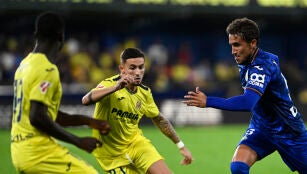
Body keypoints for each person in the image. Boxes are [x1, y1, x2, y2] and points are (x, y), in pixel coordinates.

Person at [183, 17, 307, 174]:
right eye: (231, 45)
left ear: (253, 43)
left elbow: (248, 102)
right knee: (238, 167)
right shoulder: (246, 60)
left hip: (288, 130)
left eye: (237, 45)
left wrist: (208, 101)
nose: (233, 51)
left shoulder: (262, 66)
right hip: (262, 126)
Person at [10, 12, 110, 174]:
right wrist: (78, 141)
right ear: (61, 37)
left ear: (36, 34)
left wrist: (90, 122)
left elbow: (51, 116)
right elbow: (37, 117)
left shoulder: (24, 65)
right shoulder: (47, 69)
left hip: (19, 150)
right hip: (38, 152)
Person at [82, 47, 193, 174]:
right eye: (132, 67)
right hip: (111, 155)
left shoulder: (145, 93)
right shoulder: (109, 85)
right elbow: (85, 100)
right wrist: (115, 87)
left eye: (141, 67)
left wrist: (181, 145)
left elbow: (159, 119)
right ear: (122, 69)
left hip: (136, 143)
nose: (138, 72)